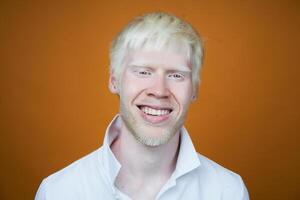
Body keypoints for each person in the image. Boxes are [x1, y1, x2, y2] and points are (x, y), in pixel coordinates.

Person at [35, 12, 249, 200]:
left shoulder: (229, 192)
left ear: (194, 89)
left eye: (176, 75)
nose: (159, 90)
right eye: (143, 72)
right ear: (114, 81)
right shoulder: (58, 192)